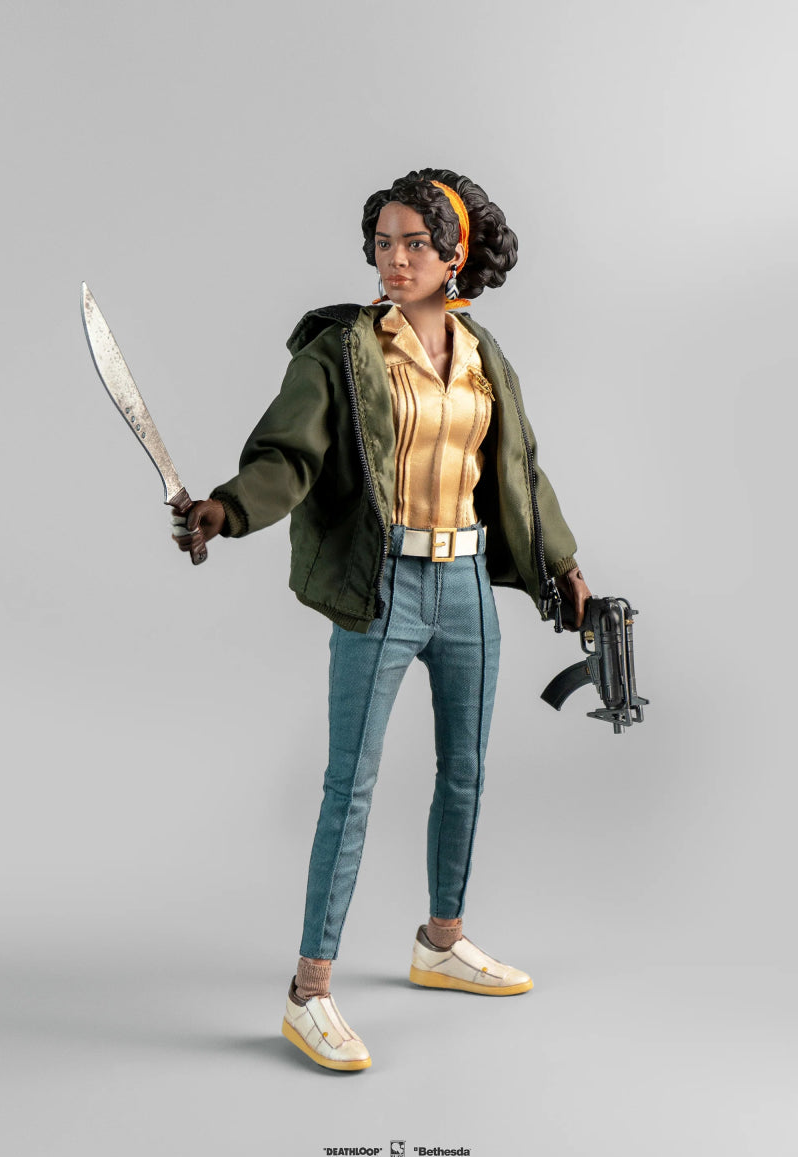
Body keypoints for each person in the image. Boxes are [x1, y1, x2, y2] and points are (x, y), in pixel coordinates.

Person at [172, 169, 591, 1072]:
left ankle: (442, 942)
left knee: (466, 772)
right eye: (383, 242)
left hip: (467, 583)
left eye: (414, 244)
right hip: (384, 585)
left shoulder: (481, 354)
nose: (394, 260)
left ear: (455, 255)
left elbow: (519, 469)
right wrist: (230, 508)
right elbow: (292, 452)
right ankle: (309, 990)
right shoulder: (344, 350)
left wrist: (563, 564)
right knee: (350, 785)